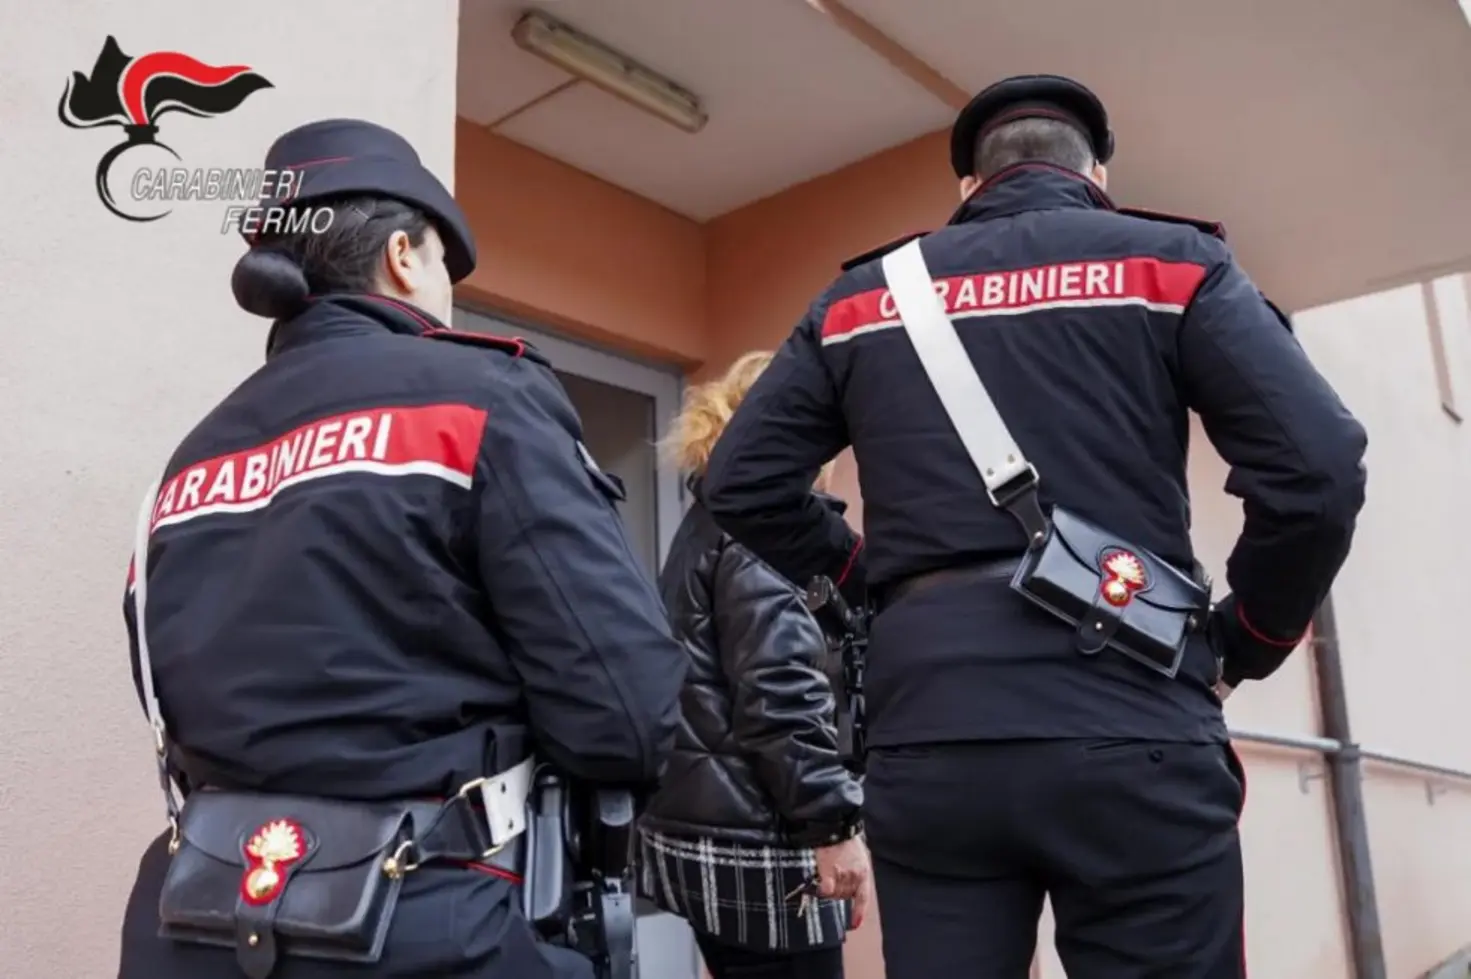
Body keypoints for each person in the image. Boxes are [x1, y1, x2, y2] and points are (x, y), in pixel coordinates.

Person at [699, 74, 1367, 979]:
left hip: (931, 732)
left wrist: (864, 577)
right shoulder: (1169, 263)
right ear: (1096, 173)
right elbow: (1318, 468)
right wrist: (1241, 640)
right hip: (1133, 706)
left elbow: (739, 480)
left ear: (968, 187)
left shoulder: (863, 298)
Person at [116, 119, 686, 979]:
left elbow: (167, 696)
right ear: (403, 257)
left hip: (193, 925)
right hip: (430, 919)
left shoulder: (188, 459)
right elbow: (625, 710)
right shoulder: (482, 395)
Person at [637, 352, 868, 979]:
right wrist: (834, 827)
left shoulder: (707, 520)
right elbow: (780, 692)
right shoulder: (762, 531)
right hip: (765, 847)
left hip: (710, 834)